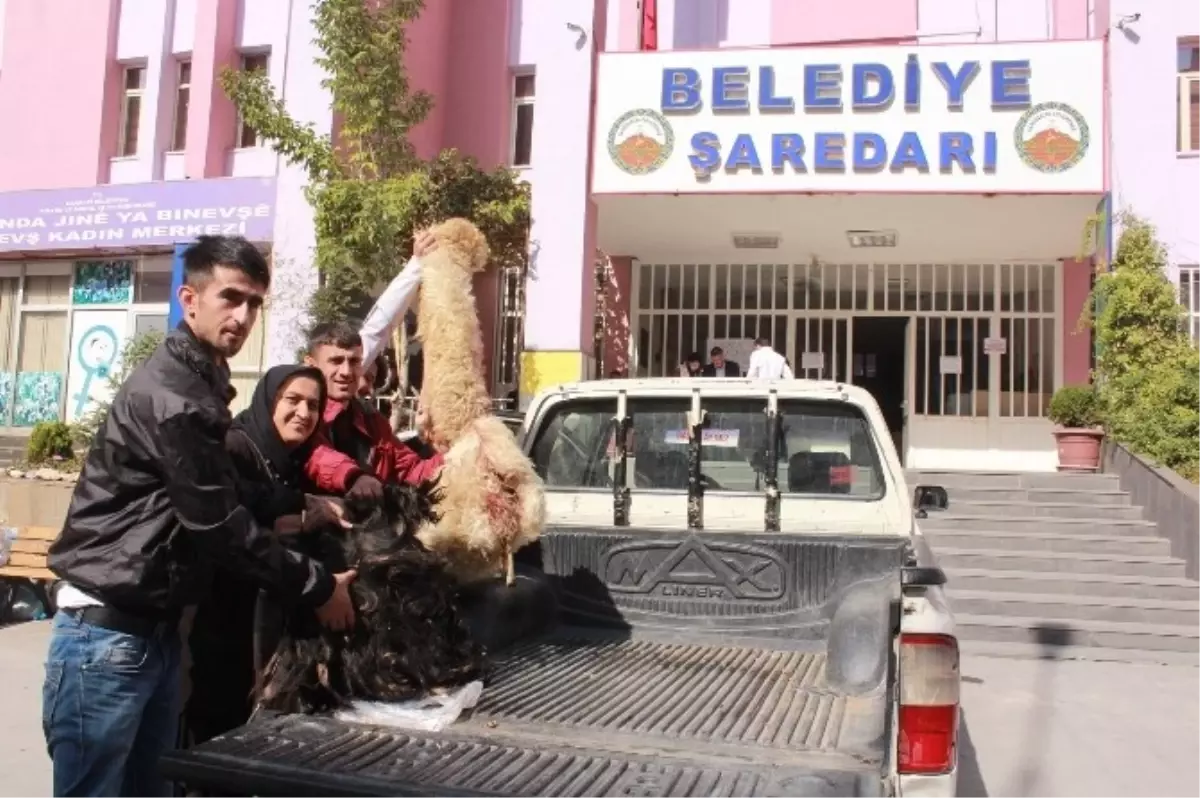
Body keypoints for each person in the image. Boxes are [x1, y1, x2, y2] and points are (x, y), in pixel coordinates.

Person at [43, 236, 356, 798]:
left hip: (152, 636)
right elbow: (222, 529)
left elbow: (235, 487)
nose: (242, 316)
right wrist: (317, 586)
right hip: (107, 637)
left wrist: (302, 505)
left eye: (255, 303)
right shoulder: (175, 399)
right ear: (190, 300)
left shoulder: (201, 387)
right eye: (230, 298)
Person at [186, 364, 349, 751]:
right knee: (217, 742)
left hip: (261, 621)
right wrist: (281, 517)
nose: (304, 413)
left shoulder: (294, 458)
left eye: (313, 404)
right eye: (292, 400)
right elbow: (232, 513)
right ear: (267, 401)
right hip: (221, 624)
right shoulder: (239, 446)